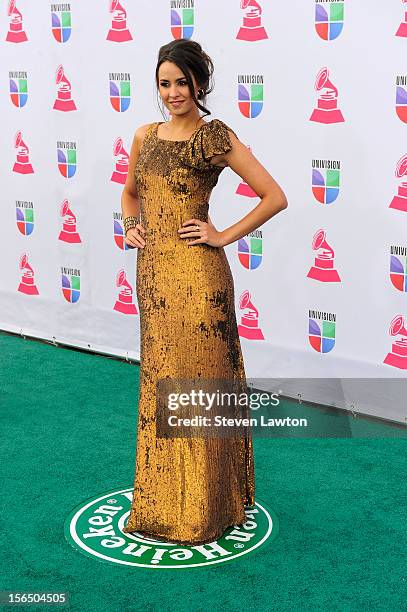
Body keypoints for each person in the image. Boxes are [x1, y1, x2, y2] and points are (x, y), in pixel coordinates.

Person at [121, 38, 288, 545]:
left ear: (200, 84)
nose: (173, 92)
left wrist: (220, 235)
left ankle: (207, 507)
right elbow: (131, 194)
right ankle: (162, 499)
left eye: (182, 82)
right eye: (165, 83)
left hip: (198, 281)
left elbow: (274, 196)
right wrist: (130, 226)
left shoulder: (215, 137)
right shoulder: (144, 136)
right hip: (153, 280)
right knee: (161, 384)